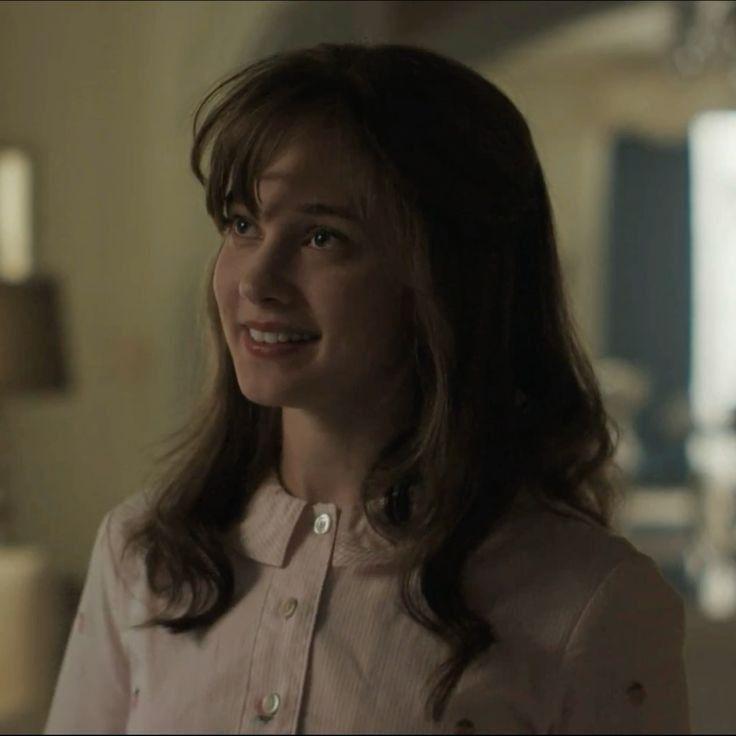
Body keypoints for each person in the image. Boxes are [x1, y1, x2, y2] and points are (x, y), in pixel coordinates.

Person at [45, 43, 690, 734]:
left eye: (323, 237)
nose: (256, 280)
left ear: (447, 279)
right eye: (242, 224)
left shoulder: (585, 599)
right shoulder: (144, 556)